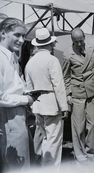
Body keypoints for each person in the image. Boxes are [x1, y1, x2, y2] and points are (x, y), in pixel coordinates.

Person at [62, 27, 94, 165]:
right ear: (72, 41)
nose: (79, 44)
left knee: (91, 125)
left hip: (93, 92)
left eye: (81, 40)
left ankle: (89, 152)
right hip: (78, 93)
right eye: (76, 42)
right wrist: (68, 93)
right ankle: (80, 155)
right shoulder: (68, 55)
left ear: (84, 38)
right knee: (78, 126)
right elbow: (66, 77)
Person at [25, 27, 69, 168]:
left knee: (42, 135)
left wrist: (32, 105)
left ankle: (38, 163)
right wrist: (64, 107)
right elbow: (58, 85)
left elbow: (28, 86)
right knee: (53, 139)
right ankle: (49, 168)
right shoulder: (52, 60)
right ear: (49, 44)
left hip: (37, 105)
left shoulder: (30, 62)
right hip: (51, 104)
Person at [0, 17, 38, 172]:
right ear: (3, 33)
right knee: (15, 166)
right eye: (17, 35)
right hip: (9, 116)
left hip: (19, 113)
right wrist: (25, 99)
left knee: (24, 160)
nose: (22, 40)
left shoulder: (12, 57)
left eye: (23, 36)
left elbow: (13, 86)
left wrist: (27, 93)